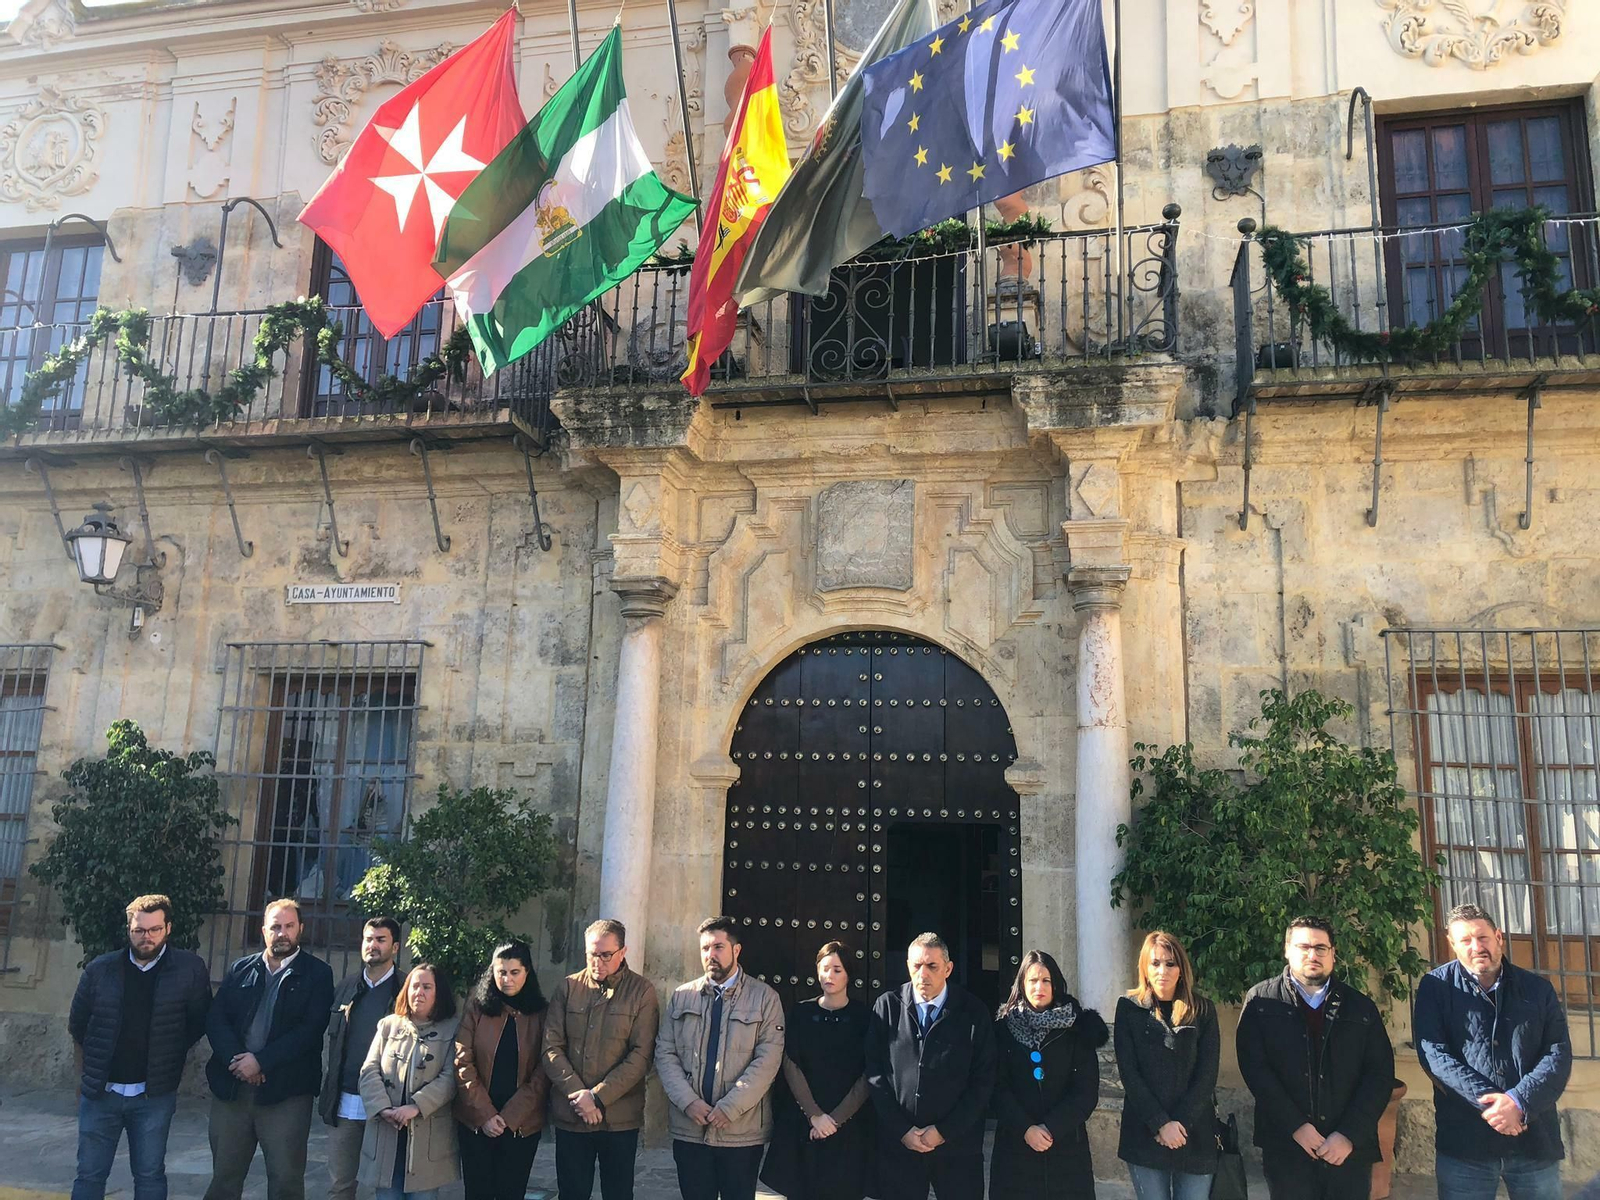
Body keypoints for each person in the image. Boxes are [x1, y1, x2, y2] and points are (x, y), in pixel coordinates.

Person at [1414, 902, 1572, 1200]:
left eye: (1483, 937)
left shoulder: (1537, 989)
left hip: (1533, 1141)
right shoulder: (1435, 988)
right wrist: (1493, 1105)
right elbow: (1434, 1055)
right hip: (1465, 1145)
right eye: (1465, 940)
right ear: (1452, 945)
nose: (1476, 947)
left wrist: (1518, 1102)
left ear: (1498, 937)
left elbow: (1557, 1054)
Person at [1236, 915, 1394, 1200]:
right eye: (1303, 947)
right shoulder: (1261, 1001)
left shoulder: (1360, 1007)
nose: (1313, 955)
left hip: (1349, 1152)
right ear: (1287, 950)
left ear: (1333, 953)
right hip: (1287, 1147)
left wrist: (1348, 1135)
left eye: (1321, 948)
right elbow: (1256, 1070)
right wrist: (1296, 1126)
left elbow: (1379, 1075)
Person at [68, 894, 212, 1200]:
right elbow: (78, 1026)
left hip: (153, 1097)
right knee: (89, 1176)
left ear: (168, 928)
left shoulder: (189, 969)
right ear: (129, 930)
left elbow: (198, 1023)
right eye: (139, 930)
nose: (146, 937)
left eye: (154, 929)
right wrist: (82, 1077)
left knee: (149, 1175)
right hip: (101, 1094)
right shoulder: (100, 970)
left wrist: (167, 1054)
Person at [203, 898, 336, 1200]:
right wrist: (238, 1061)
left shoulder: (318, 974)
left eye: (289, 926)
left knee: (285, 1182)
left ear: (300, 929)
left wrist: (260, 1062)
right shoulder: (240, 969)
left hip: (285, 1093)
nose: (282, 933)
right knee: (224, 1179)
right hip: (233, 1090)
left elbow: (309, 1031)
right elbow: (216, 1018)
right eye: (275, 927)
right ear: (264, 931)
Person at [656, 916, 785, 1200]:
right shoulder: (681, 997)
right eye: (704, 948)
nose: (710, 955)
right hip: (691, 1128)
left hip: (740, 1131)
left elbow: (768, 1059)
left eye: (718, 947)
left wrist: (730, 1107)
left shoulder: (765, 999)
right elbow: (665, 1052)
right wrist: (688, 1102)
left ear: (736, 950)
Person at [865, 932, 997, 1200]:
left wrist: (944, 1132)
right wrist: (901, 1130)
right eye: (916, 966)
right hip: (900, 1146)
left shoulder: (973, 1012)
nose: (922, 974)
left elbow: (983, 1081)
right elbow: (876, 1073)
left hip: (958, 1148)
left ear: (948, 969)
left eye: (932, 966)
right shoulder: (888, 1006)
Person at [543, 918, 661, 1200]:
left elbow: (641, 1055)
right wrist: (579, 1095)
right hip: (572, 1114)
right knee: (571, 1192)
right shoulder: (569, 987)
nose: (598, 962)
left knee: (618, 1192)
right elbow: (551, 1048)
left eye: (605, 954)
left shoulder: (642, 992)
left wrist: (597, 1098)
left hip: (619, 1117)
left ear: (623, 952)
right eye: (591, 954)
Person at [759, 941, 874, 1200]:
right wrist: (814, 1116)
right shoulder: (801, 1012)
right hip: (804, 1122)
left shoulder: (864, 1017)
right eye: (824, 969)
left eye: (837, 970)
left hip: (848, 1125)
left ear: (848, 974)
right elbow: (790, 1062)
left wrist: (834, 1120)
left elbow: (869, 1072)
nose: (829, 976)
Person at [990, 948, 1108, 1199]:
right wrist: (1026, 1128)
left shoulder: (1077, 1030)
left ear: (1056, 985)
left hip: (1065, 1147)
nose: (1039, 987)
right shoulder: (1003, 1029)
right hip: (1015, 1147)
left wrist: (1051, 1127)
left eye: (1046, 980)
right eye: (1032, 980)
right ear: (1022, 984)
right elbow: (996, 1087)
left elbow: (1086, 1091)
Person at [1114, 931, 1220, 1200]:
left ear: (1181, 969)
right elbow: (1129, 1072)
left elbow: (1207, 1074)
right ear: (1145, 969)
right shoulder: (1129, 1009)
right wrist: (1160, 1123)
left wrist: (1180, 1122)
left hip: (1194, 1132)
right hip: (1145, 1131)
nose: (1163, 970)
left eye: (1170, 963)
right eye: (1155, 963)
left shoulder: (1203, 1010)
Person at [453, 940, 551, 1200]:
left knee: (512, 1192)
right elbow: (462, 1061)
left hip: (521, 1124)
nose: (507, 979)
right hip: (476, 1121)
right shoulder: (476, 1008)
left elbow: (544, 1069)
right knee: (478, 1192)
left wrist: (510, 1116)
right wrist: (485, 1114)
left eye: (514, 972)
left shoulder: (542, 1014)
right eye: (501, 972)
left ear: (527, 972)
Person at [359, 962, 461, 1200]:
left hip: (426, 1137)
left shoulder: (453, 1028)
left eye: (427, 987)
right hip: (387, 1133)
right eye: (415, 986)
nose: (419, 992)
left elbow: (451, 1078)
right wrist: (383, 1108)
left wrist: (416, 1106)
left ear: (438, 993)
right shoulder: (388, 1025)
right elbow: (369, 1069)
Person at [322, 916, 404, 1200]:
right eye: (368, 939)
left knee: (387, 1186)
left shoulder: (406, 991)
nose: (373, 945)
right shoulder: (346, 987)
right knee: (340, 1185)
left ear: (395, 947)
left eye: (380, 940)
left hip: (386, 1105)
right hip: (344, 1101)